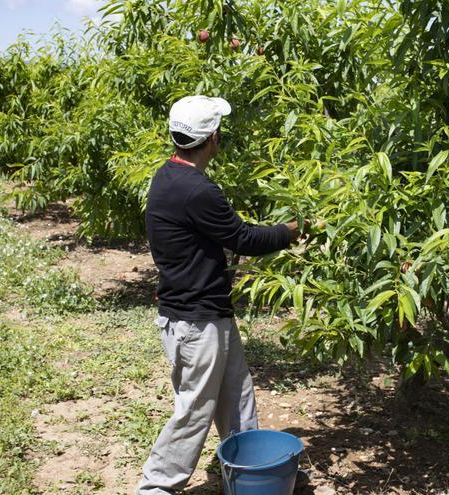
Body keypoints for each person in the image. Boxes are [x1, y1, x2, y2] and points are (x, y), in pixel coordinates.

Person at [138, 95, 307, 494]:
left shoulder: (168, 175)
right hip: (196, 322)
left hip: (208, 312)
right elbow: (242, 237)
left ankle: (252, 470)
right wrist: (290, 231)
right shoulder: (197, 189)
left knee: (237, 396)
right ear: (213, 138)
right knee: (195, 409)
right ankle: (157, 487)